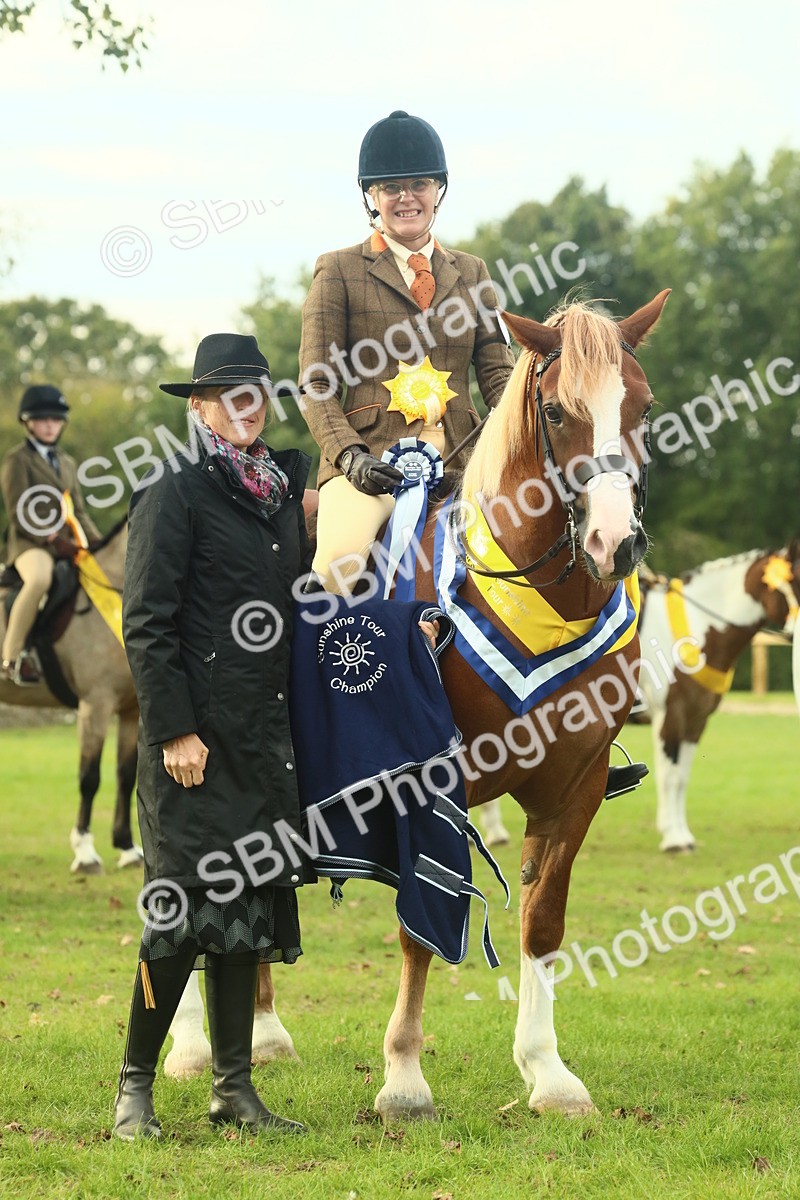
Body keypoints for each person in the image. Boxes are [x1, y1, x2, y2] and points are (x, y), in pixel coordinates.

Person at [116, 333, 310, 1140]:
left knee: (246, 915)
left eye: (256, 394)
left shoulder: (273, 495)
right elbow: (148, 623)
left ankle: (234, 1089)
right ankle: (135, 1090)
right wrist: (174, 732)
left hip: (262, 744)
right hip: (193, 750)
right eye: (228, 395)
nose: (246, 407)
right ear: (198, 409)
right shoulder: (174, 492)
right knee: (177, 915)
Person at [299, 109, 516, 593]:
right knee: (338, 560)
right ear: (370, 197)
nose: (405, 197)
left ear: (439, 189)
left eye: (418, 183)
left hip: (466, 463)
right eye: (390, 186)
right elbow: (317, 384)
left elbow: (499, 376)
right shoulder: (337, 271)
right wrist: (350, 457)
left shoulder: (473, 272)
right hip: (370, 467)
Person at [1, 385, 102, 684]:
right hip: (30, 544)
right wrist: (52, 539)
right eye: (43, 419)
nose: (49, 425)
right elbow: (18, 510)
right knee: (40, 579)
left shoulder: (68, 463)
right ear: (27, 422)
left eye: (55, 420)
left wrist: (97, 542)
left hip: (67, 544)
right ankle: (12, 657)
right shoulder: (17, 460)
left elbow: (78, 511)